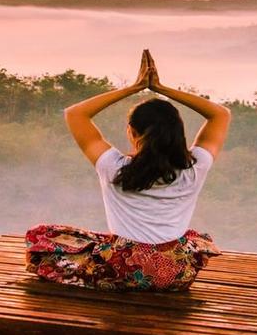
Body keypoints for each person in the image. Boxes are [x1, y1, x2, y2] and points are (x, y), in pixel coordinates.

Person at [25, 49, 231, 291]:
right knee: (188, 240)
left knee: (40, 236)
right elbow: (220, 114)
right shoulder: (195, 167)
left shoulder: (114, 167)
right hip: (175, 274)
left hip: (122, 270)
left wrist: (135, 87)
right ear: (178, 133)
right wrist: (161, 88)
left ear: (132, 132)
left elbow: (75, 114)